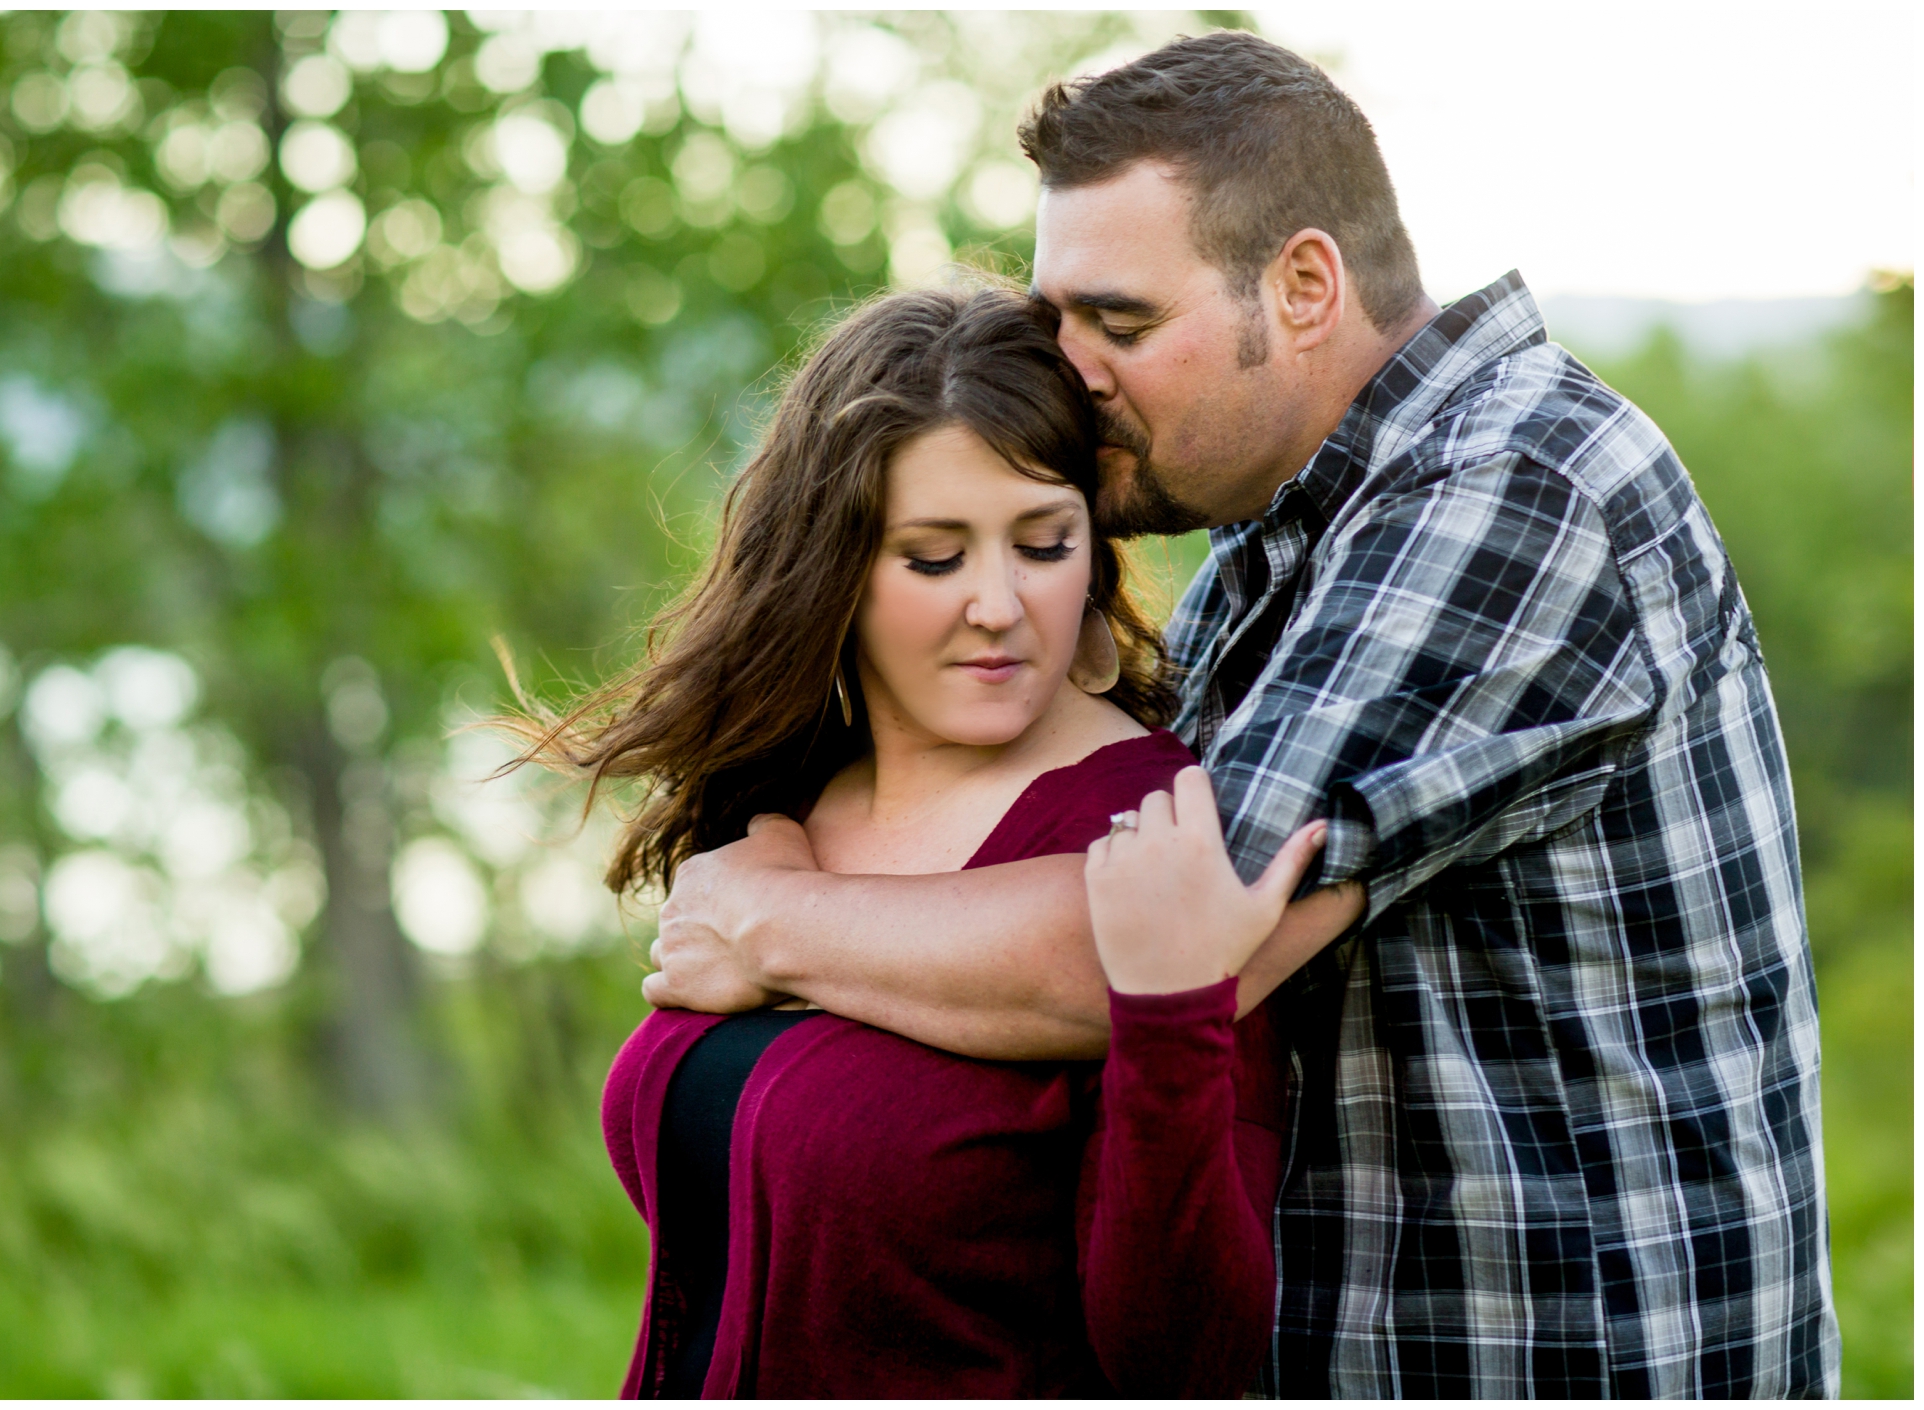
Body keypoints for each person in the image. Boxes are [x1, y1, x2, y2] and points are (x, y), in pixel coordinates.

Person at [642, 29, 1838, 1399]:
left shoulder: (1521, 483)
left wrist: (770, 917)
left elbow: (1169, 944)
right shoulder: (1281, 540)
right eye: (1057, 321)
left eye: (1123, 323)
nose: (1071, 372)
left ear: (1307, 284)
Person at [504, 284, 1351, 1397]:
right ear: (832, 574)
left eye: (1043, 545)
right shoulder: (781, 819)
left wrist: (1166, 1025)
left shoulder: (1149, 831)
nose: (997, 604)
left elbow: (1185, 1354)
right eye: (934, 557)